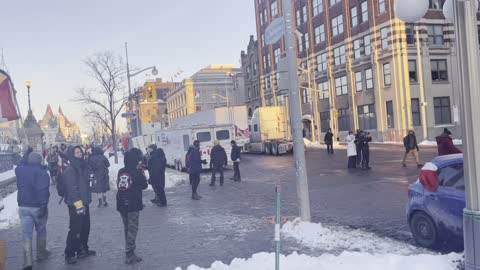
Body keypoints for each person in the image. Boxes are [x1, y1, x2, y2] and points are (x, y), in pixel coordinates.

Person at [15, 152, 51, 270]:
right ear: (40, 161)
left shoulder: (20, 171)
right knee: (41, 230)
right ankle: (41, 254)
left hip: (23, 207)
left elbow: (20, 163)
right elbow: (43, 191)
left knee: (26, 234)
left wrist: (26, 156)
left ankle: (28, 262)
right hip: (37, 207)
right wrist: (43, 206)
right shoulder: (42, 173)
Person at [63, 146, 96, 265]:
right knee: (75, 229)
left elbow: (87, 182)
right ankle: (70, 253)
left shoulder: (83, 166)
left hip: (85, 203)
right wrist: (79, 205)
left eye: (80, 152)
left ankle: (82, 249)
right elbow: (72, 189)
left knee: (85, 227)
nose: (79, 154)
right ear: (72, 154)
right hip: (75, 205)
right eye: (76, 153)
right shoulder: (70, 169)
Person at [116, 148, 148, 264]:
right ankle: (129, 253)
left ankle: (129, 250)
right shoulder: (137, 171)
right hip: (133, 203)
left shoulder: (121, 171)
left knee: (127, 228)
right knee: (133, 228)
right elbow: (144, 185)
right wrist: (141, 173)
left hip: (121, 202)